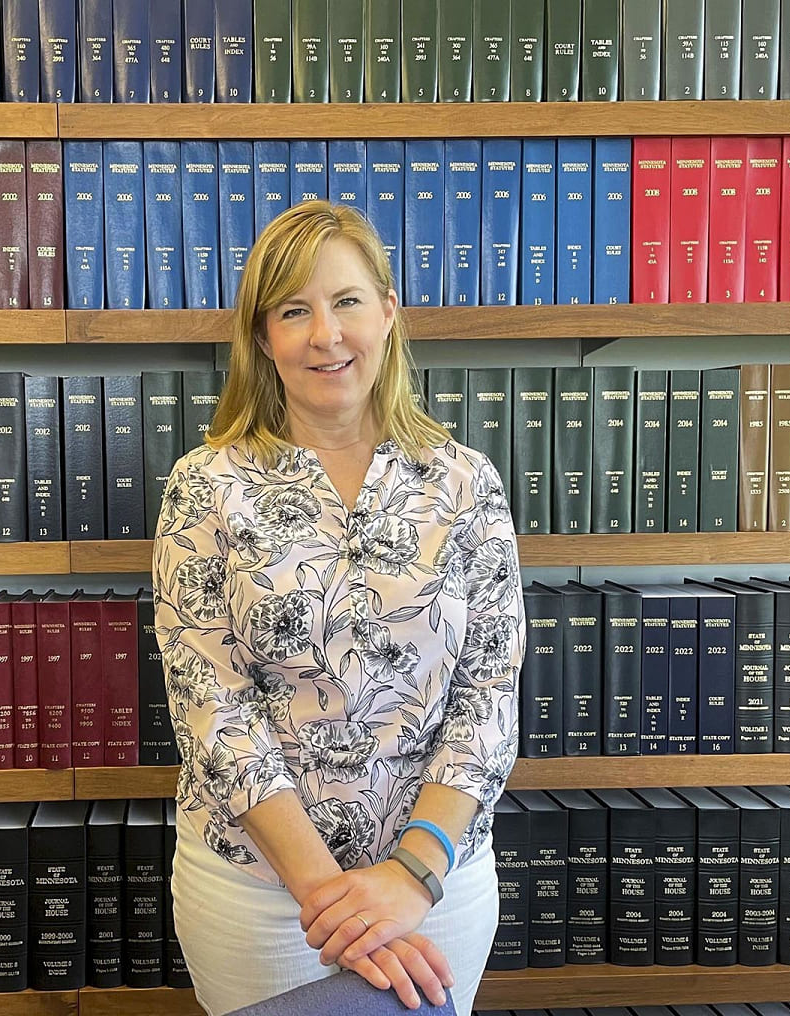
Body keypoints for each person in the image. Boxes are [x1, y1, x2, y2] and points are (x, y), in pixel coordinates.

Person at [152, 200, 524, 1016]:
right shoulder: (204, 486)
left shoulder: (466, 484)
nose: (326, 335)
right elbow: (211, 709)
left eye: (347, 301)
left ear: (388, 312)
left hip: (436, 893)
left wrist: (409, 878)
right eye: (294, 311)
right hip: (260, 901)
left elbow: (490, 695)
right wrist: (339, 905)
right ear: (262, 338)